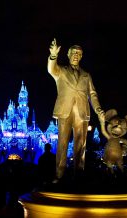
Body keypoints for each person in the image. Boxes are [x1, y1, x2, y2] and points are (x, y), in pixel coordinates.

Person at [47, 38, 105, 182]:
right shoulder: (61, 71)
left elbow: (92, 94)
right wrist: (53, 56)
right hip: (65, 111)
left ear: (81, 56)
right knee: (62, 143)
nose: (76, 55)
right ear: (68, 55)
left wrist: (98, 109)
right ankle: (59, 175)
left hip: (82, 112)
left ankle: (79, 174)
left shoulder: (86, 75)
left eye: (79, 53)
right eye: (73, 53)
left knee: (81, 144)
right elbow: (51, 68)